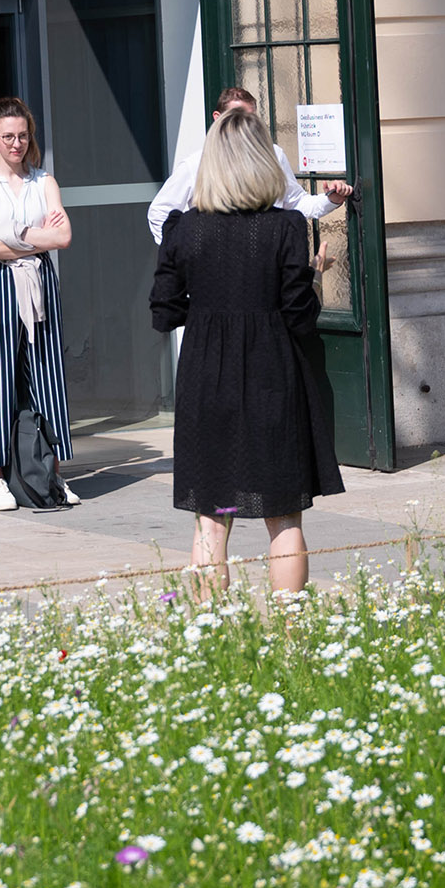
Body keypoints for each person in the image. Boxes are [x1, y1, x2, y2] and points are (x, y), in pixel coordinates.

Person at [152, 108, 343, 594]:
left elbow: (164, 312)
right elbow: (300, 316)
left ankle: (214, 635)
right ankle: (291, 632)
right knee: (282, 515)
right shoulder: (283, 228)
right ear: (263, 162)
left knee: (211, 520)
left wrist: (209, 302)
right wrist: (309, 278)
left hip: (204, 377)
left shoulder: (183, 228)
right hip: (271, 376)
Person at [0, 97, 76, 512]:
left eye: (22, 135)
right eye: (8, 136)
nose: (16, 144)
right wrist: (33, 236)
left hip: (40, 283)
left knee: (47, 376)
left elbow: (63, 237)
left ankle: (52, 475)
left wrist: (10, 236)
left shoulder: (44, 181)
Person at [145, 86, 353, 246]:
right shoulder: (197, 163)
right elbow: (159, 212)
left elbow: (296, 202)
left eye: (251, 118)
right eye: (238, 118)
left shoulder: (274, 155)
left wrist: (331, 199)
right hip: (218, 273)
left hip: (266, 263)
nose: (246, 125)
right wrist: (185, 255)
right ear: (217, 119)